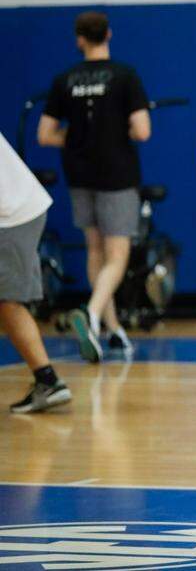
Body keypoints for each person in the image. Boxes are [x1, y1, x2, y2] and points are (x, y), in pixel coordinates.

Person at [38, 10, 150, 361]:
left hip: (79, 174)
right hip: (117, 175)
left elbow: (45, 135)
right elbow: (142, 131)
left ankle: (111, 329)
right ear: (109, 35)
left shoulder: (64, 79)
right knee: (118, 256)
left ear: (80, 40)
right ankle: (91, 313)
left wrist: (78, 140)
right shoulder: (125, 76)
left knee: (95, 251)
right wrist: (116, 133)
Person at [1, 132, 72, 413]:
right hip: (19, 210)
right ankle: (47, 380)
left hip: (12, 215)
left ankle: (49, 381)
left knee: (8, 300)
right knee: (7, 302)